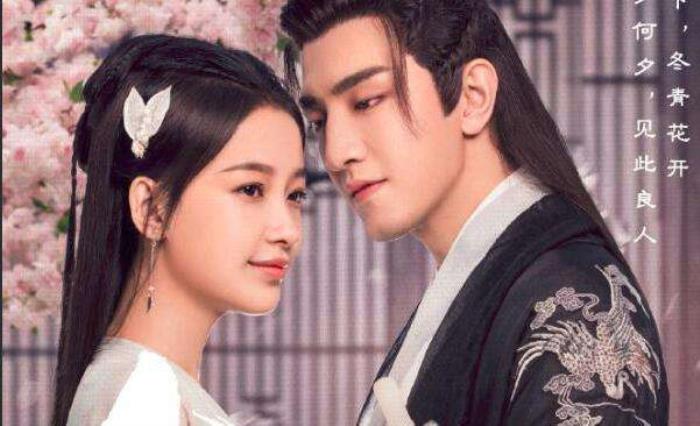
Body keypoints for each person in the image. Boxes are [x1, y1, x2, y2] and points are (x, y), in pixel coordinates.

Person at [280, 1, 669, 425]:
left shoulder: (572, 296)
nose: (335, 153)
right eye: (319, 121)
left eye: (367, 102)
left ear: (472, 96)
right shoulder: (474, 290)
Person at [51, 34, 307, 426]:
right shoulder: (144, 395)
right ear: (152, 209)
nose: (287, 230)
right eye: (251, 189)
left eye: (295, 195)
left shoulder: (143, 383)